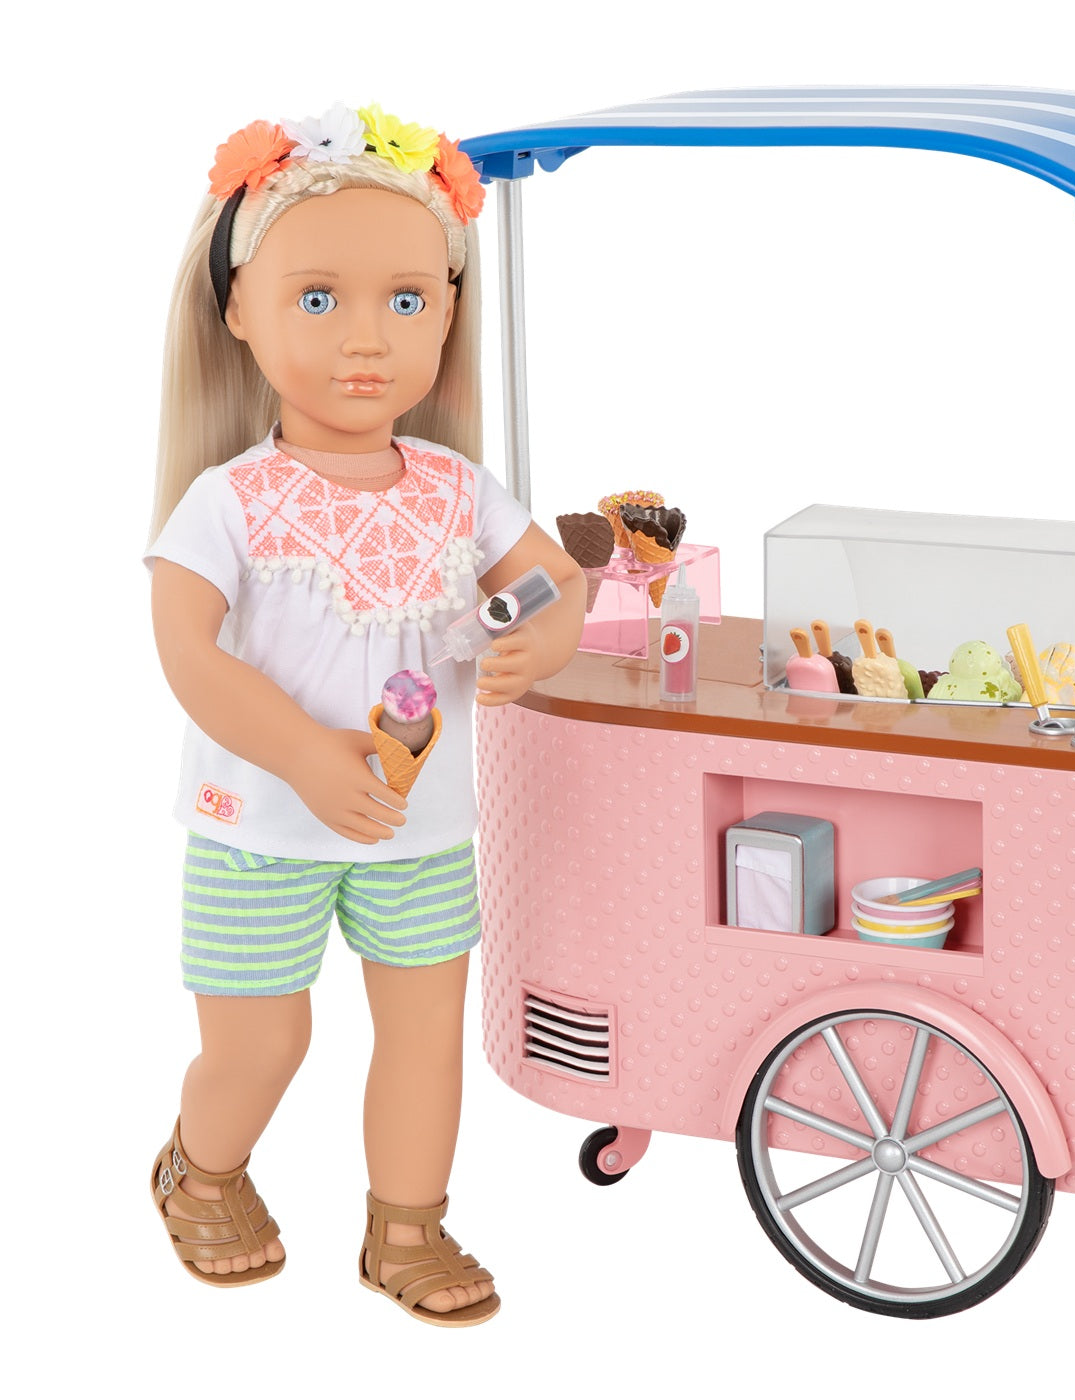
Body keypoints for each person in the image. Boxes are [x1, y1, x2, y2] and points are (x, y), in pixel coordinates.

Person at [145, 103, 585, 1327]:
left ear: (448, 311)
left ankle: (407, 1223)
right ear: (238, 311)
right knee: (260, 1042)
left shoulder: (456, 488)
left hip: (422, 828)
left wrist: (541, 635)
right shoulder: (228, 501)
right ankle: (202, 1167)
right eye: (316, 297)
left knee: (424, 1031)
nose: (365, 340)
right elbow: (184, 650)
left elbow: (554, 580)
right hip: (258, 825)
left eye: (405, 300)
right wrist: (299, 751)